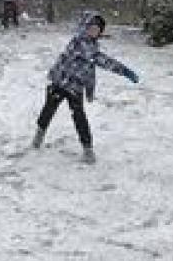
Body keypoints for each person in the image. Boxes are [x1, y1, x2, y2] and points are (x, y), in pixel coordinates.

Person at [31, 11, 140, 164]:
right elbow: (102, 61)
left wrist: (89, 90)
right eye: (91, 28)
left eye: (97, 30)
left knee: (79, 117)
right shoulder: (80, 42)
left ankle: (87, 149)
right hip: (58, 83)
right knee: (48, 111)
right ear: (84, 27)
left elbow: (89, 71)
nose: (94, 32)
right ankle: (39, 135)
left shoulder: (91, 46)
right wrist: (124, 71)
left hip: (74, 87)